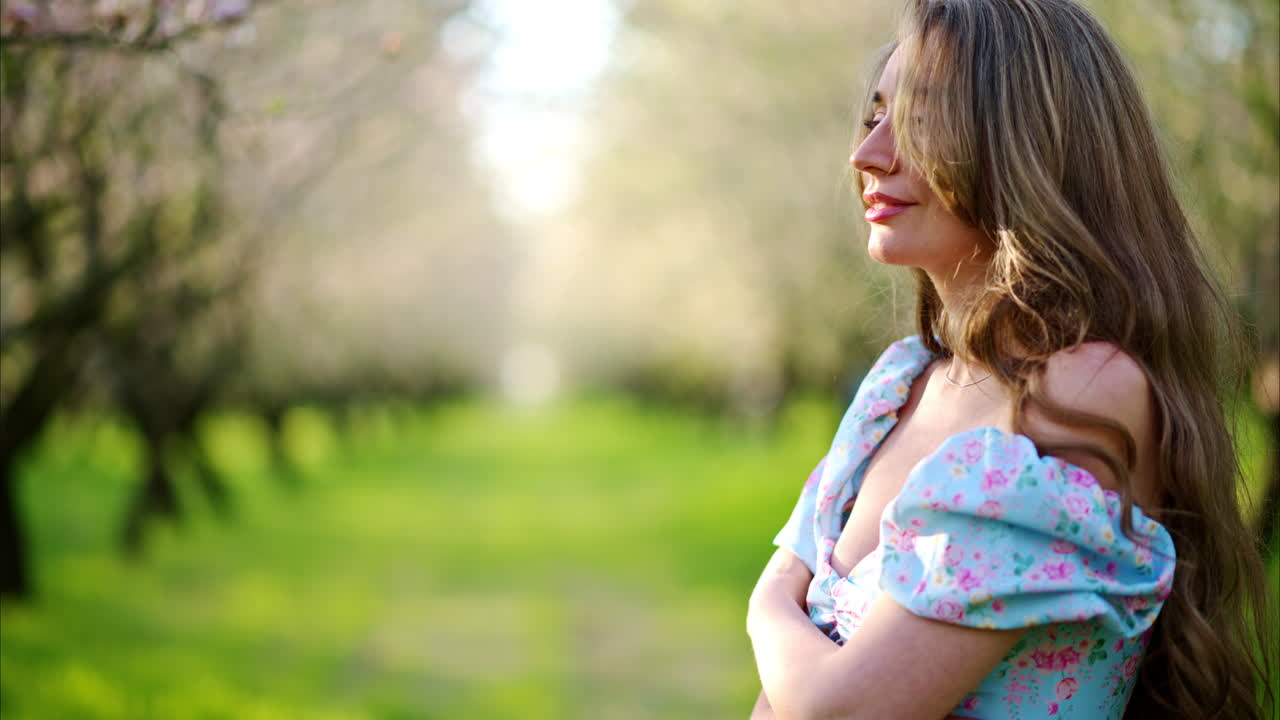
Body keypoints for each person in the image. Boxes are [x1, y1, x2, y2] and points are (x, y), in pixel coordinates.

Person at [745, 1, 1276, 718]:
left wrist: (766, 601)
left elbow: (838, 709)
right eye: (874, 116)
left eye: (924, 119)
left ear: (1029, 145)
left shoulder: (1080, 393)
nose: (867, 154)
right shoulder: (897, 387)